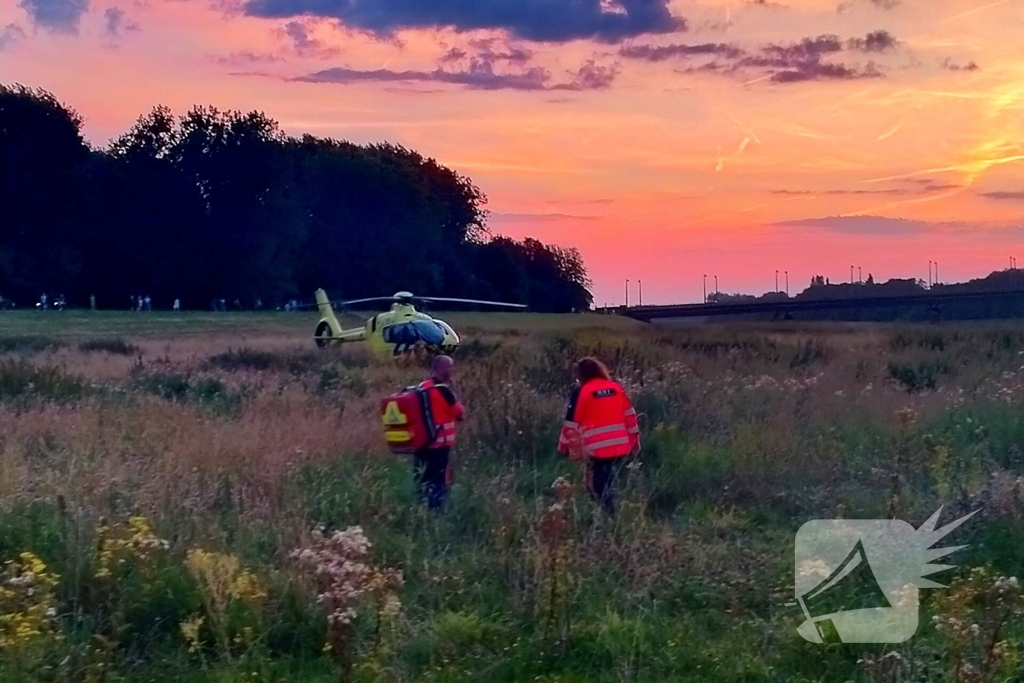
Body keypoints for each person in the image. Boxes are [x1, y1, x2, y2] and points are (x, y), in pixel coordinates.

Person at [557, 357, 640, 515]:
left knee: (595, 485)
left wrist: (563, 446)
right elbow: (630, 417)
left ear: (581, 375)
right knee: (607, 479)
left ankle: (608, 516)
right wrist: (635, 442)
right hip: (619, 446)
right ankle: (609, 514)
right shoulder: (616, 388)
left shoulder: (581, 393)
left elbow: (570, 424)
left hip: (595, 449)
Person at [413, 355, 465, 511]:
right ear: (441, 369)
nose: (452, 370)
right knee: (438, 481)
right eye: (450, 367)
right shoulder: (443, 390)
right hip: (439, 445)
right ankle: (436, 514)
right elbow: (460, 414)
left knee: (423, 478)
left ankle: (420, 510)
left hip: (421, 443)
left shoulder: (421, 387)